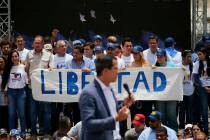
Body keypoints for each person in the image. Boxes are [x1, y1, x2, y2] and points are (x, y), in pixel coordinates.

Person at [79, 55, 134, 140]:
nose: (117, 72)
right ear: (105, 71)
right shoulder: (88, 93)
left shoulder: (110, 89)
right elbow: (88, 124)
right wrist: (115, 119)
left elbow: (110, 113)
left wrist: (124, 104)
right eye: (115, 69)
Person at [25, 35, 53, 137]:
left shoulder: (49, 54)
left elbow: (52, 69)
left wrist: (51, 69)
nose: (37, 45)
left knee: (46, 111)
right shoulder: (29, 54)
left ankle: (46, 132)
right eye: (35, 43)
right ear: (33, 44)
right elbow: (26, 69)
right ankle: (33, 132)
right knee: (32, 111)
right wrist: (28, 78)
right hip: (32, 88)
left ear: (42, 44)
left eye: (39, 43)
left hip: (45, 88)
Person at [1, 50, 28, 138]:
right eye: (12, 56)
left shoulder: (23, 67)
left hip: (21, 92)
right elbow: (5, 82)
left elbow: (27, 80)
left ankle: (23, 132)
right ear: (10, 58)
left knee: (22, 114)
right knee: (11, 114)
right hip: (11, 93)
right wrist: (6, 94)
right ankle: (13, 132)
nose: (14, 58)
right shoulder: (8, 68)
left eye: (16, 56)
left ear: (18, 57)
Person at [154, 49, 178, 132]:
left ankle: (174, 132)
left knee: (171, 114)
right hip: (160, 96)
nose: (159, 58)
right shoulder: (155, 67)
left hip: (171, 95)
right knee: (161, 115)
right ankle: (162, 132)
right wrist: (151, 69)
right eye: (158, 56)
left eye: (161, 56)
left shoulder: (172, 66)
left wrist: (181, 69)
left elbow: (178, 75)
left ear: (165, 57)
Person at [192, 47, 210, 134]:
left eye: (200, 54)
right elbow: (195, 78)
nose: (198, 56)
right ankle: (206, 130)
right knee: (204, 109)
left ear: (205, 54)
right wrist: (204, 87)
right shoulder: (196, 63)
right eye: (198, 54)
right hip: (202, 89)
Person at [178, 50, 194, 129]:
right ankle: (181, 126)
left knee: (189, 110)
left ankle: (189, 126)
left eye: (190, 56)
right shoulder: (179, 66)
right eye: (188, 56)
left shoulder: (193, 66)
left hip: (190, 92)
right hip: (182, 92)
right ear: (183, 57)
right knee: (182, 110)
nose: (190, 58)